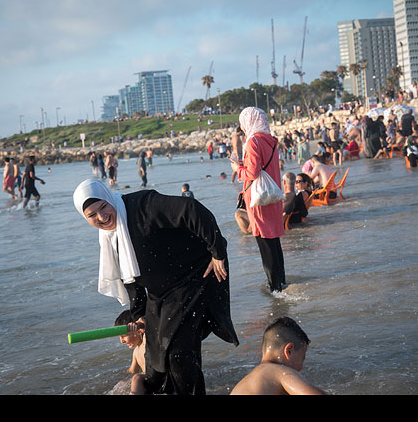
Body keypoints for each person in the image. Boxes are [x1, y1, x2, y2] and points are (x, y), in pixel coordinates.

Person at [73, 179, 239, 395]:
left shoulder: (144, 205)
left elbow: (191, 209)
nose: (102, 217)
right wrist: (139, 315)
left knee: (177, 351)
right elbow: (130, 278)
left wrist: (217, 252)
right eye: (92, 215)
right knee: (155, 356)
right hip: (162, 292)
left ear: (109, 197)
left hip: (195, 276)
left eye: (103, 207)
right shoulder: (111, 235)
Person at [233, 107, 286, 292]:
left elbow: (252, 173)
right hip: (273, 195)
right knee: (274, 241)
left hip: (259, 199)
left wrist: (237, 168)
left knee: (265, 243)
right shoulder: (270, 140)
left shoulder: (253, 141)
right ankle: (282, 282)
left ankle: (275, 288)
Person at [230, 317, 325, 395]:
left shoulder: (249, 381)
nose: (301, 367)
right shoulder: (278, 371)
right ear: (289, 351)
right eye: (302, 358)